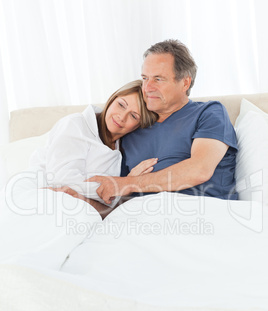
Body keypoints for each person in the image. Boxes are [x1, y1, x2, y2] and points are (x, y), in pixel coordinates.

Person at [87, 39, 238, 205]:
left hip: (202, 213)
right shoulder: (133, 127)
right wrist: (77, 198)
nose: (147, 87)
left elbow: (199, 169)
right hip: (143, 220)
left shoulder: (209, 113)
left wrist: (127, 184)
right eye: (145, 78)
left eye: (158, 79)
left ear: (185, 83)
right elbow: (116, 199)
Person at [29, 80, 158, 216]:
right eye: (121, 105)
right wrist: (122, 185)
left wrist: (123, 185)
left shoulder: (125, 147)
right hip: (41, 198)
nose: (121, 117)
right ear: (113, 99)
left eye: (133, 116)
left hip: (80, 213)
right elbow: (63, 181)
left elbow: (107, 205)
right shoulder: (75, 125)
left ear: (139, 124)